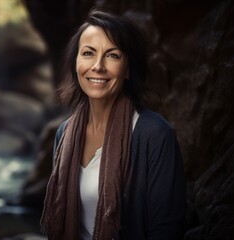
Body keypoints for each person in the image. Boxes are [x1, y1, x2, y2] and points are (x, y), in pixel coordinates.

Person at [40, 8, 186, 240]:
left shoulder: (154, 134)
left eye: (113, 55)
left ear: (128, 69)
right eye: (88, 53)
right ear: (75, 62)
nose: (98, 65)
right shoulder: (65, 133)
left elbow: (167, 229)